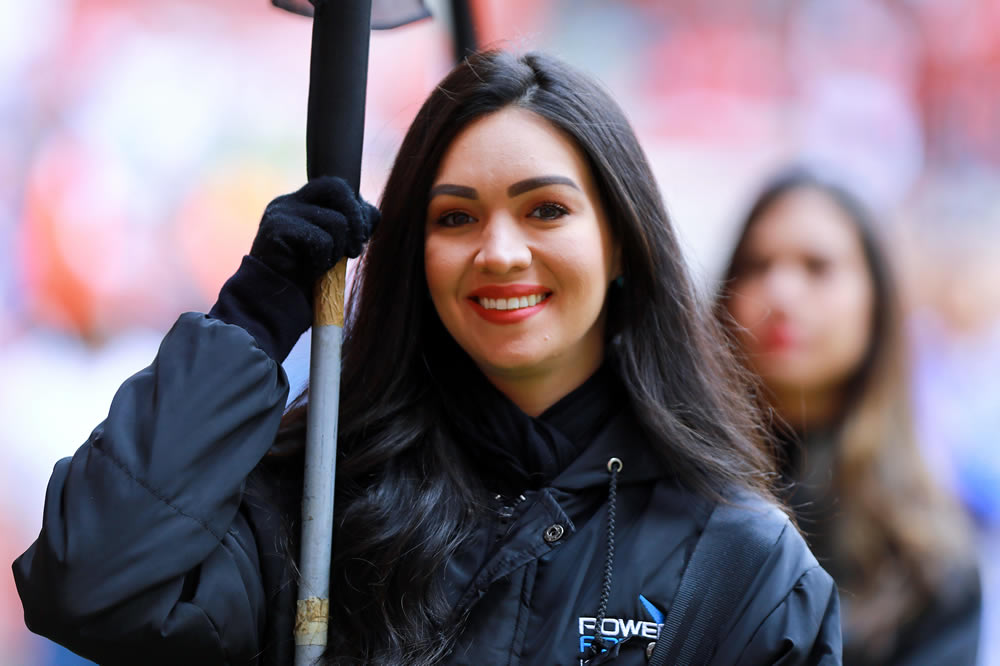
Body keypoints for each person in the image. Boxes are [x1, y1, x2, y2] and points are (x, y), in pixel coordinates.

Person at [14, 51, 840, 665]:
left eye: (546, 209)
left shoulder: (742, 564)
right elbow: (87, 582)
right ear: (416, 254)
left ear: (622, 242)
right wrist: (253, 320)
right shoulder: (318, 507)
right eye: (455, 219)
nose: (501, 252)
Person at [715, 168, 981, 665]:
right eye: (756, 265)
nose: (781, 292)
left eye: (817, 267)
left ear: (878, 301)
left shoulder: (932, 557)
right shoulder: (676, 491)